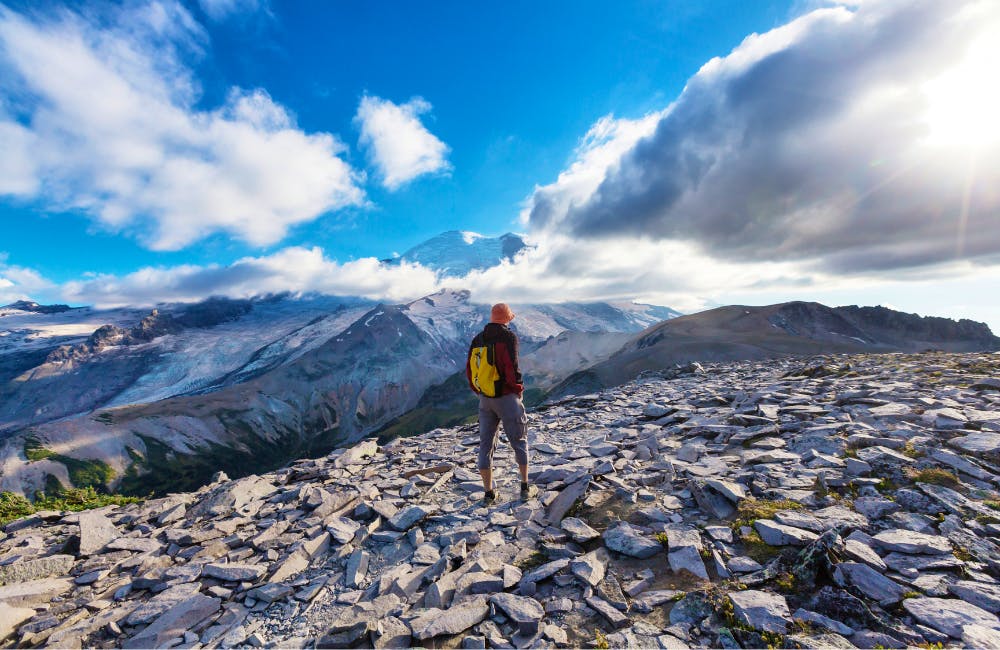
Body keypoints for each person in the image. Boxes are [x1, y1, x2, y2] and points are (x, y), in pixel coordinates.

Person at [466, 302, 538, 504]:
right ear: (507, 318)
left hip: (485, 399)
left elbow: (470, 370)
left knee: (485, 446)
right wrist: (517, 391)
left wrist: (480, 392)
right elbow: (512, 367)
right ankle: (525, 487)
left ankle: (489, 493)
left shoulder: (477, 339)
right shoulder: (508, 337)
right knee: (519, 442)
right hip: (506, 398)